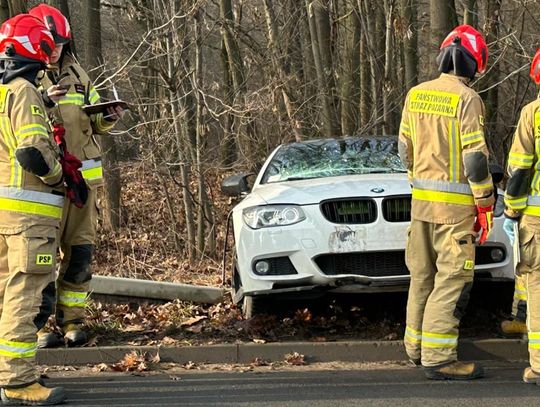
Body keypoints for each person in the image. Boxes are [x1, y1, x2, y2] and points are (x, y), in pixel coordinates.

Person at [398, 25, 494, 380]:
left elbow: (403, 150)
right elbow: (474, 160)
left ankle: (416, 348)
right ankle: (438, 357)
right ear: (473, 64)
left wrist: (419, 184)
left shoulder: (416, 94)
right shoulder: (467, 99)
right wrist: (484, 201)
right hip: (454, 213)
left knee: (421, 277)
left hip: (420, 207)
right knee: (452, 279)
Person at [29, 3, 124, 348]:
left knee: (80, 253)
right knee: (40, 258)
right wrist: (43, 99)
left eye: (60, 44)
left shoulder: (78, 74)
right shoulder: (22, 77)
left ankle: (73, 322)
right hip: (44, 184)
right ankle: (38, 327)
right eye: (49, 42)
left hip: (83, 182)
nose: (54, 49)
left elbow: (91, 122)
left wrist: (107, 117)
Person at [0, 13, 67, 405]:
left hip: (5, 215)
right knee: (24, 297)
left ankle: (7, 372)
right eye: (45, 48)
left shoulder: (4, 91)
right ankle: (19, 382)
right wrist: (60, 177)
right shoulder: (23, 90)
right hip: (29, 216)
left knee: (5, 295)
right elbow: (31, 151)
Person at [502, 48, 540, 384]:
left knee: (538, 286)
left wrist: (511, 210)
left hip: (538, 219)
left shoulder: (533, 113)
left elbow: (519, 169)